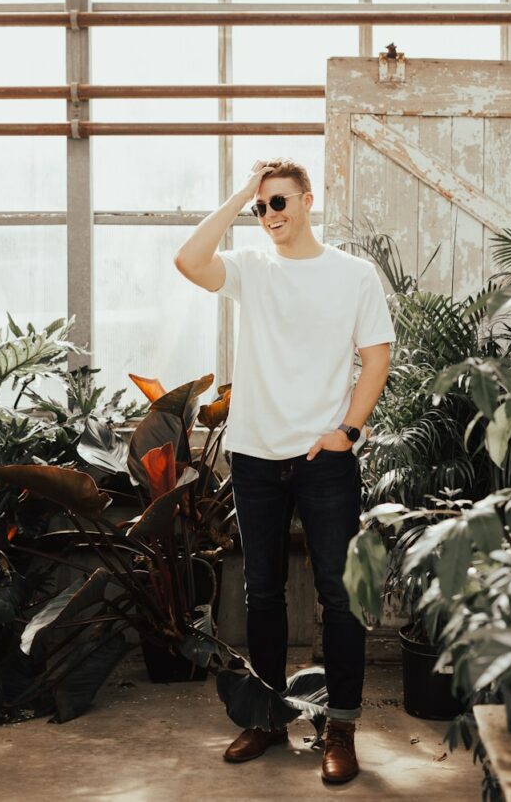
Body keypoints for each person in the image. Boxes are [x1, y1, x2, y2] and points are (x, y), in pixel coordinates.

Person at [174, 158, 395, 784]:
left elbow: (375, 358)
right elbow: (189, 260)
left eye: (278, 202)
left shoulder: (353, 274)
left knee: (339, 595)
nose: (269, 215)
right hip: (254, 454)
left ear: (306, 199)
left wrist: (347, 432)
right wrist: (240, 191)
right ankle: (270, 717)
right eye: (260, 206)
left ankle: (341, 726)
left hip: (324, 461)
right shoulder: (251, 268)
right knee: (261, 594)